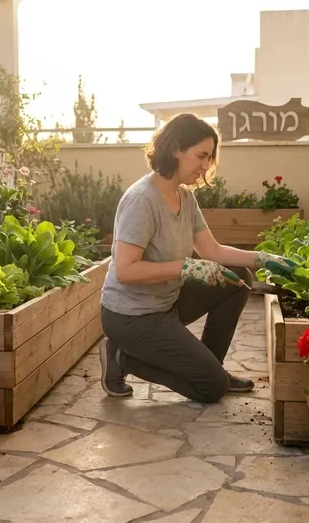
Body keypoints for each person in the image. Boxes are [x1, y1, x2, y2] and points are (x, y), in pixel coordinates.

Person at [99, 113, 288, 403]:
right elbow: (125, 270)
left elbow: (212, 251)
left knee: (237, 278)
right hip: (131, 317)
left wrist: (262, 258)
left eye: (209, 157)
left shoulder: (185, 198)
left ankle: (210, 366)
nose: (205, 166)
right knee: (210, 389)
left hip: (166, 304)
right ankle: (122, 356)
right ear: (176, 148)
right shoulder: (142, 200)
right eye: (201, 155)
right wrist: (185, 267)